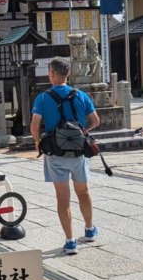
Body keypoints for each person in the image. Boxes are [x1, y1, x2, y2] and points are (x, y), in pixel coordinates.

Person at [30, 56, 101, 255]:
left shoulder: (42, 98)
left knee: (63, 197)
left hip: (55, 153)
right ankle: (89, 230)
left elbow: (35, 126)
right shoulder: (81, 95)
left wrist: (37, 142)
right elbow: (95, 120)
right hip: (79, 152)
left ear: (52, 73)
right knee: (83, 192)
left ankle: (70, 242)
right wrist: (83, 132)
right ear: (68, 74)